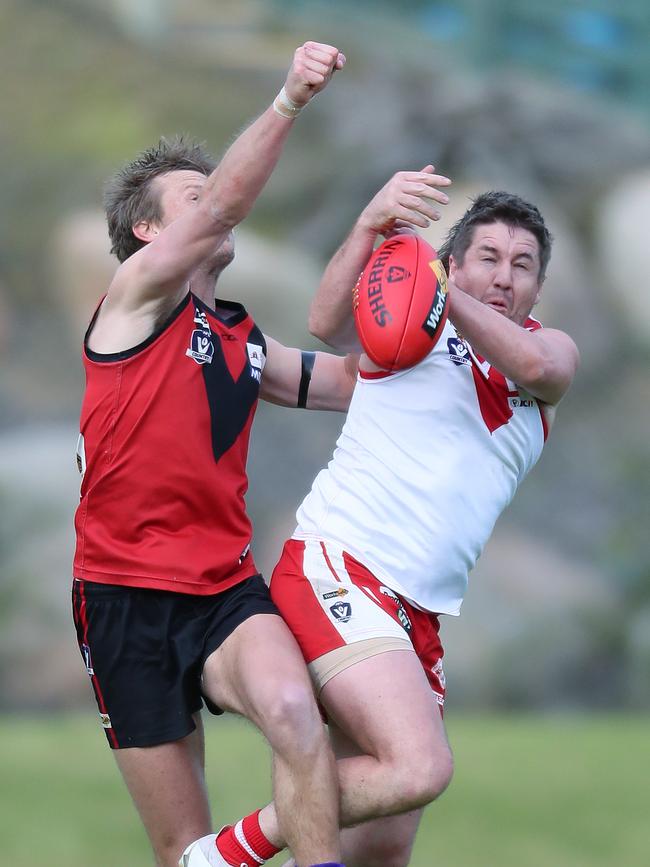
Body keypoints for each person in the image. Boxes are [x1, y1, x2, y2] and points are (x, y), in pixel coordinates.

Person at [182, 170, 579, 867]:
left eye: (522, 266)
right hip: (343, 566)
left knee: (384, 844)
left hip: (416, 611)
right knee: (418, 767)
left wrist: (438, 292)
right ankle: (222, 853)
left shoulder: (547, 352)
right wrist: (371, 225)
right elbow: (326, 321)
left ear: (538, 290)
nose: (505, 276)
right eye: (487, 257)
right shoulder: (405, 343)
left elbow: (539, 365)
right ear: (454, 261)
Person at [71, 42, 360, 867]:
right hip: (123, 594)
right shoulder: (134, 300)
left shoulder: (238, 335)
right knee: (181, 850)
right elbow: (226, 205)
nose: (217, 206)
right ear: (150, 229)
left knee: (295, 715)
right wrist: (289, 101)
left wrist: (447, 341)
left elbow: (345, 382)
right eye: (194, 199)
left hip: (223, 587)